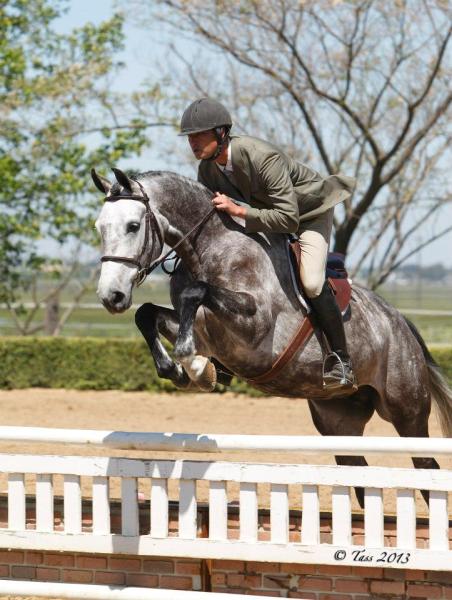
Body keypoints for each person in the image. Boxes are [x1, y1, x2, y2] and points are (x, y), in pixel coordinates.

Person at [179, 97, 356, 392]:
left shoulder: (262, 157)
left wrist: (239, 211)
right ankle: (223, 362)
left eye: (200, 135)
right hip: (267, 215)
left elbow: (287, 218)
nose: (193, 143)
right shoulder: (208, 171)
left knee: (311, 283)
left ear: (222, 133)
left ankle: (341, 360)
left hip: (308, 214)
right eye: (189, 137)